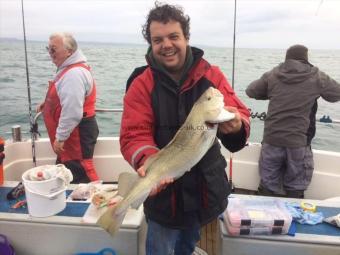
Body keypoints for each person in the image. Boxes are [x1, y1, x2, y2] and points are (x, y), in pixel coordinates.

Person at [120, 3, 250, 255]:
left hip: (203, 191)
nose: (166, 44)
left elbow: (238, 113)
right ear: (150, 44)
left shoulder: (211, 77)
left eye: (173, 36)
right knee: (160, 248)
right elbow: (134, 133)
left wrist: (235, 126)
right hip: (163, 197)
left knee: (187, 245)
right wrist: (149, 161)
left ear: (186, 38)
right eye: (158, 39)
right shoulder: (141, 84)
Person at [246, 44, 340, 198]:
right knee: (295, 190)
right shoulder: (317, 76)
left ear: (286, 58)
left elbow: (251, 91)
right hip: (298, 143)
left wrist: (273, 92)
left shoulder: (273, 74)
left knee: (268, 188)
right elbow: (336, 94)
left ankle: (264, 217)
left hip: (272, 141)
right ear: (306, 59)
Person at [37, 32, 99, 183]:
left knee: (82, 170)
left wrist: (60, 138)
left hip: (76, 134)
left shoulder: (74, 74)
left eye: (54, 49)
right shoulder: (69, 69)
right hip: (72, 134)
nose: (50, 53)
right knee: (64, 171)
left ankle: (98, 200)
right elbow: (66, 98)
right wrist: (47, 104)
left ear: (69, 51)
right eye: (48, 49)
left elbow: (72, 111)